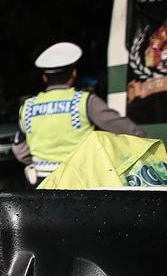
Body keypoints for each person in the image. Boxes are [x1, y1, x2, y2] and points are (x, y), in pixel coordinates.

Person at [14, 42, 146, 181]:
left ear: (45, 77)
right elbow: (130, 132)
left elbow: (20, 150)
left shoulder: (27, 106)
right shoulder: (85, 101)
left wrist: (38, 163)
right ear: (74, 73)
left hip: (42, 181)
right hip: (81, 180)